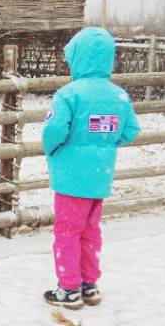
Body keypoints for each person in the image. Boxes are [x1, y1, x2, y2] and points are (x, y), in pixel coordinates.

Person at [41, 27, 141, 310]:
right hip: (100, 176)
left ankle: (69, 288)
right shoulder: (119, 96)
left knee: (67, 231)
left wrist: (53, 148)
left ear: (78, 59)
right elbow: (131, 130)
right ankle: (89, 284)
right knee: (90, 231)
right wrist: (107, 143)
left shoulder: (68, 95)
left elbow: (53, 131)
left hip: (71, 178)